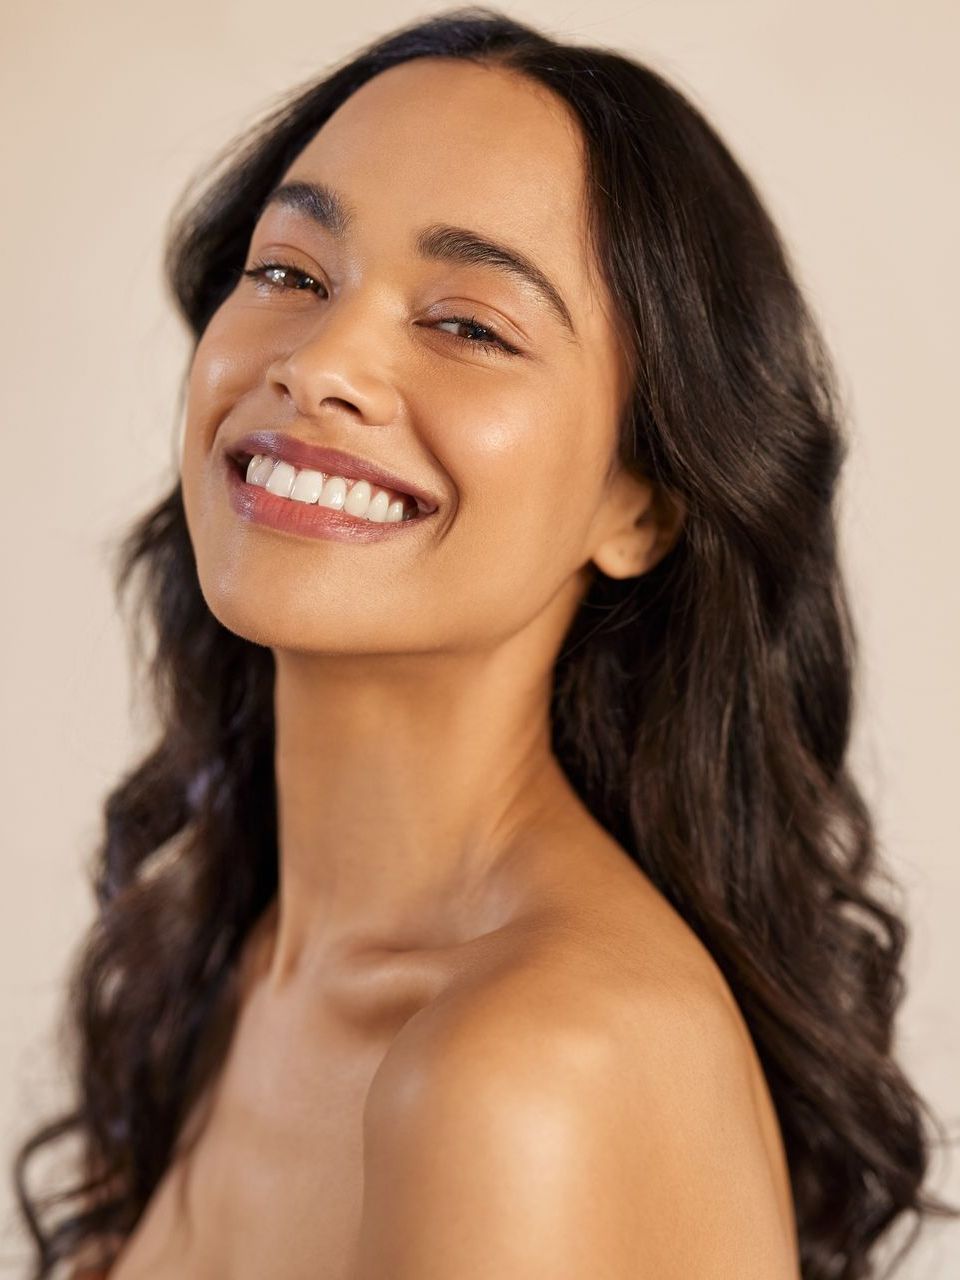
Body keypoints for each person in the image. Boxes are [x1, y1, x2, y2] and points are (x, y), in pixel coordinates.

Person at [13, 7, 957, 1279]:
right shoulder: (231, 958)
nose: (323, 361)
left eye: (468, 324)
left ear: (644, 501)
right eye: (291, 272)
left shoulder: (519, 1071)